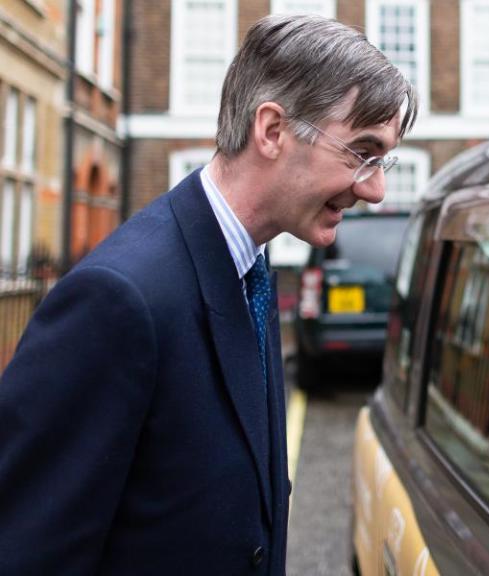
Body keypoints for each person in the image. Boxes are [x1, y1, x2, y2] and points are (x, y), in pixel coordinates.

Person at [0, 15, 416, 574]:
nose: (375, 187)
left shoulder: (251, 263)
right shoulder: (117, 300)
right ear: (272, 131)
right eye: (362, 152)